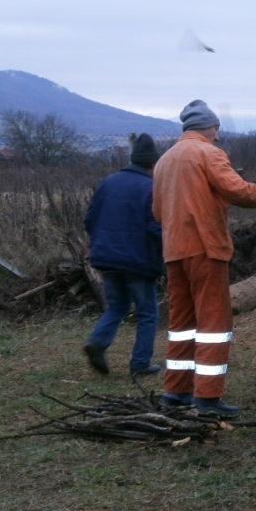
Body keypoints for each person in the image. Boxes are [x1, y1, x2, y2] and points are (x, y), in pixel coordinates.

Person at [153, 99, 256, 417]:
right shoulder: (208, 153)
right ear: (206, 127)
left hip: (174, 251)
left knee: (182, 324)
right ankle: (207, 398)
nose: (218, 136)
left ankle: (175, 392)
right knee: (213, 323)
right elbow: (238, 191)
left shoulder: (164, 161)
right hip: (206, 248)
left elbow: (156, 210)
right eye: (216, 129)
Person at [83, 133, 164, 378]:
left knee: (117, 304)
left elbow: (89, 220)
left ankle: (97, 342)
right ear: (153, 164)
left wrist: (103, 244)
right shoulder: (151, 187)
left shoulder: (107, 182)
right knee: (148, 312)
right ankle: (140, 363)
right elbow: (155, 227)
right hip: (138, 260)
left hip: (106, 257)